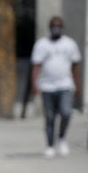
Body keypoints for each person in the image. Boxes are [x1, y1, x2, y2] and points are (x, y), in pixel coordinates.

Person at [30, 16, 81, 158]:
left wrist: (77, 85)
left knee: (66, 113)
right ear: (49, 27)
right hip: (47, 86)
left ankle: (62, 138)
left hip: (65, 84)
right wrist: (34, 83)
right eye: (53, 26)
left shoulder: (69, 44)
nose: (56, 28)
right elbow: (36, 65)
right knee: (50, 117)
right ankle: (50, 145)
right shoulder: (42, 44)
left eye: (58, 26)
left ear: (62, 28)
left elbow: (75, 66)